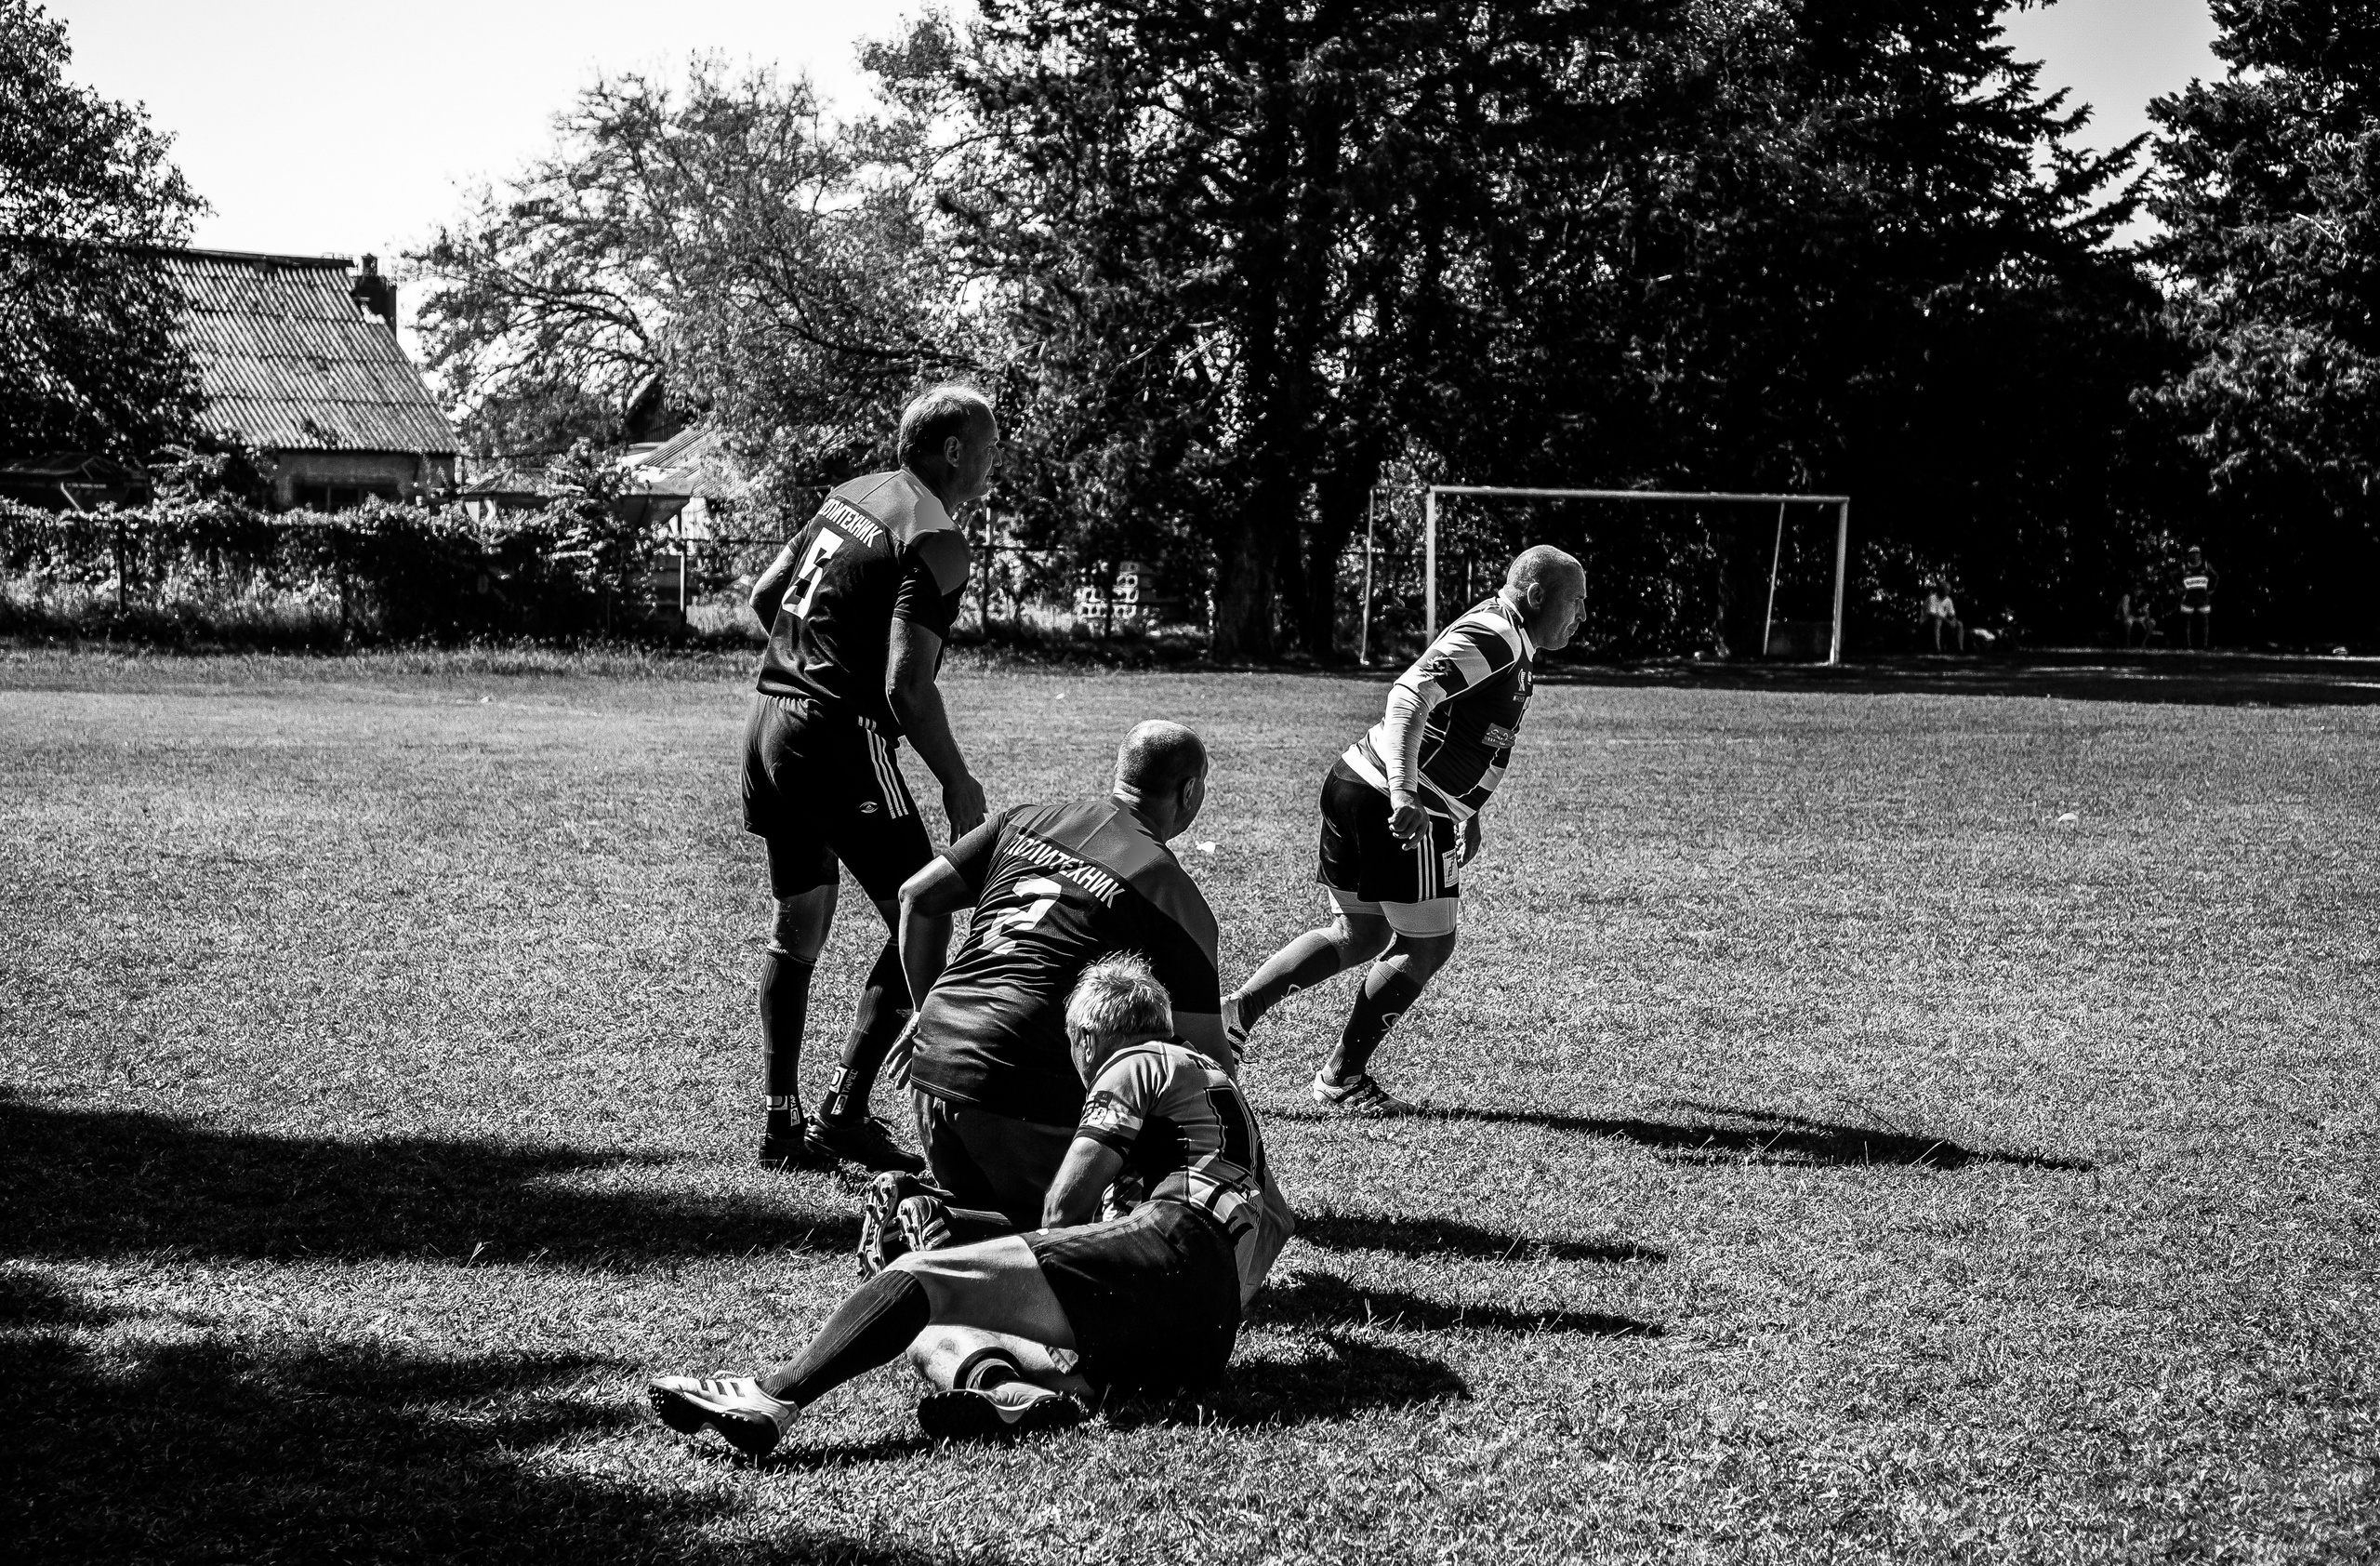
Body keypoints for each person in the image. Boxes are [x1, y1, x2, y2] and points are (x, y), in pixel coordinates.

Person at [647, 955, 1285, 1450]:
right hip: (1199, 1339)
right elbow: (1279, 1225)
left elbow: (1066, 1210)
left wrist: (963, 1247)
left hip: (1166, 1249)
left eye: (1072, 1045)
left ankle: (771, 1394)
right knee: (929, 1329)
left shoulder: (1138, 1058)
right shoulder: (1217, 1091)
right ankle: (1009, 1396)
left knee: (913, 1276)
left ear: (1088, 1036)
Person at [1221, 545, 1587, 1115]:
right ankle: (1342, 1076)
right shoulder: (1497, 635)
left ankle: (1234, 1015)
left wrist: (1472, 811)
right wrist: (1405, 792)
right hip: (1395, 802)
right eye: (1576, 603)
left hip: (1355, 780)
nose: (1581, 617)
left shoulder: (1513, 639)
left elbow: (1466, 728)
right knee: (1428, 942)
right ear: (1538, 595)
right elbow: (1410, 695)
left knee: (1359, 933)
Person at [740, 384, 997, 1174]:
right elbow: (905, 688)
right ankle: (847, 1109)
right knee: (927, 906)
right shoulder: (938, 539)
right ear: (953, 451)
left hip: (769, 725)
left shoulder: (849, 496)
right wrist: (957, 782)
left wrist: (813, 661)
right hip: (835, 739)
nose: (994, 463)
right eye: (989, 447)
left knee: (799, 929)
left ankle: (782, 1122)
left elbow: (763, 596)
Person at [890, 720, 1228, 1231]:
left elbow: (916, 895)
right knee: (1084, 1241)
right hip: (1015, 1083)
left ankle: (937, 1212)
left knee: (998, 1217)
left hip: (934, 1061)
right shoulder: (1169, 891)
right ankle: (938, 1220)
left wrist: (923, 1008)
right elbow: (1207, 1062)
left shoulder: (1027, 817)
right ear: (1189, 791)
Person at [2178, 547, 2218, 648]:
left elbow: (2216, 576)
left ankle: (2204, 645)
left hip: (2202, 597)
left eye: (2196, 553)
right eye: (2192, 554)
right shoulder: (2184, 567)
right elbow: (2171, 576)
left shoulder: (2205, 565)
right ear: (2189, 555)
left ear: (2199, 555)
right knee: (2186, 621)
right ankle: (2187, 645)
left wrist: (2212, 589)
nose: (2194, 556)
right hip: (2188, 597)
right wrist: (2178, 588)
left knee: (2204, 620)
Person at [1921, 582, 1964, 653]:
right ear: (1941, 590)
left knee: (1959, 624)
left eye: (1949, 590)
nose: (1948, 592)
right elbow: (1931, 614)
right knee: (1938, 622)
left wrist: (1953, 620)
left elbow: (1952, 613)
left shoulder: (1948, 600)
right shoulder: (1932, 598)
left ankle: (1960, 649)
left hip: (1943, 621)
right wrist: (1947, 620)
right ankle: (1937, 649)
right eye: (1946, 590)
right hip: (1928, 622)